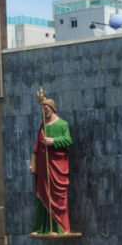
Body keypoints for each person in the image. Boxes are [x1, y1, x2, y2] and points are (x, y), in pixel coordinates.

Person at [31, 91, 73, 235]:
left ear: (52, 108)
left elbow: (68, 141)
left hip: (56, 166)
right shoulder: (43, 125)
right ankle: (43, 228)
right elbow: (36, 147)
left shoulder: (62, 124)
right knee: (43, 193)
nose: (45, 111)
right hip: (44, 167)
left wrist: (53, 141)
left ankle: (59, 228)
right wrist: (34, 164)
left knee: (57, 197)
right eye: (43, 109)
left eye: (47, 109)